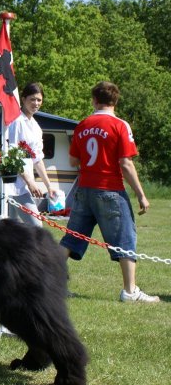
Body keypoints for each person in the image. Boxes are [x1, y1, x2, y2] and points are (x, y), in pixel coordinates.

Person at [59, 81, 159, 303]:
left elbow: (74, 160)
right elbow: (126, 163)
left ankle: (49, 284)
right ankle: (130, 291)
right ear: (115, 101)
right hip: (110, 190)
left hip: (84, 189)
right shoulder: (120, 125)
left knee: (71, 238)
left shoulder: (83, 125)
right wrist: (141, 194)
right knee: (125, 238)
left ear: (94, 100)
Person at [6, 82, 58, 225]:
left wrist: (49, 186)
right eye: (32, 99)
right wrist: (30, 182)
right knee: (36, 226)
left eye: (39, 100)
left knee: (13, 231)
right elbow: (11, 156)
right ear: (23, 99)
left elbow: (38, 159)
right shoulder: (16, 122)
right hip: (13, 185)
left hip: (24, 185)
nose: (36, 103)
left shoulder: (36, 127)